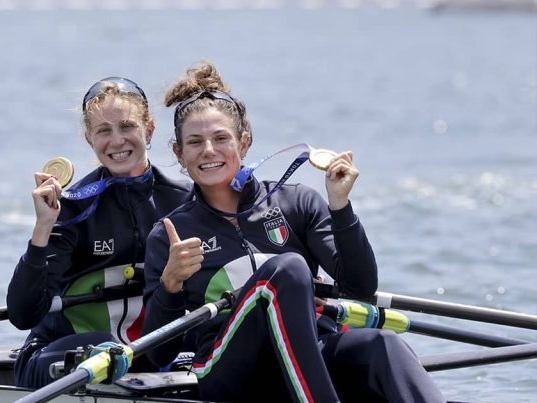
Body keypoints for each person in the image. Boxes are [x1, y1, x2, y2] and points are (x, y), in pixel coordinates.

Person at [142, 62, 444, 402]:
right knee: (288, 269)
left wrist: (340, 206)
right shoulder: (171, 234)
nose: (209, 150)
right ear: (179, 154)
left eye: (221, 138)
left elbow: (360, 288)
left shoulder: (297, 202)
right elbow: (157, 353)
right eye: (195, 142)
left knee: (382, 344)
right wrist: (170, 284)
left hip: (308, 353)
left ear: (244, 143)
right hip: (227, 370)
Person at [7, 77, 192, 388]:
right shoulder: (72, 208)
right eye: (104, 131)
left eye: (127, 127)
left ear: (148, 129)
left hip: (149, 355)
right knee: (104, 346)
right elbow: (24, 314)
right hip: (64, 357)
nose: (117, 141)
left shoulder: (183, 200)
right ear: (89, 139)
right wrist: (43, 228)